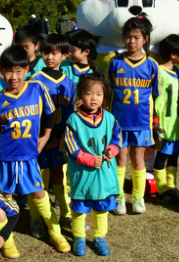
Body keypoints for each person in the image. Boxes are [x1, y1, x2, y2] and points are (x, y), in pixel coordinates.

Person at [0, 45, 69, 253]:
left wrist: (45, 136)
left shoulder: (37, 88)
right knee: (5, 199)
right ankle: (6, 241)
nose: (13, 76)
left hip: (29, 158)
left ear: (27, 69)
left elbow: (50, 114)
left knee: (39, 194)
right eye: (8, 71)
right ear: (1, 70)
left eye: (18, 70)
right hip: (7, 159)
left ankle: (56, 234)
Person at [102, 16, 160, 215]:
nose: (131, 41)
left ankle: (137, 197)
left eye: (136, 37)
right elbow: (107, 92)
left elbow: (155, 96)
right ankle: (118, 198)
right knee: (120, 160)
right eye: (127, 37)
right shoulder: (115, 63)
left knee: (139, 160)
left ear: (145, 39)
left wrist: (156, 122)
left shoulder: (152, 65)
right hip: (118, 123)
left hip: (142, 122)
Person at [62, 72, 122, 255]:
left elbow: (117, 139)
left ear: (104, 96)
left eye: (98, 94)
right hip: (83, 174)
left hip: (104, 174)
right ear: (80, 96)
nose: (94, 98)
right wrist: (89, 159)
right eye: (89, 93)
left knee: (101, 206)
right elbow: (71, 147)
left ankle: (99, 237)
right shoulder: (73, 120)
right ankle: (79, 237)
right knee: (80, 206)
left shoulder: (110, 119)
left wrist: (112, 149)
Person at [33, 34, 77, 231]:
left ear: (64, 55)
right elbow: (32, 114)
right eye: (45, 52)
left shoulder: (70, 84)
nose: (49, 57)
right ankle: (39, 218)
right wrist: (43, 136)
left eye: (54, 53)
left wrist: (60, 138)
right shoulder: (35, 81)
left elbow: (71, 116)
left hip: (59, 139)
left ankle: (66, 214)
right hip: (40, 140)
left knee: (59, 175)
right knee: (37, 178)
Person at [152, 35, 179, 205]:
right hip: (165, 123)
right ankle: (161, 190)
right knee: (163, 155)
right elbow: (155, 98)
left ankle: (172, 187)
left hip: (178, 122)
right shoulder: (159, 71)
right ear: (173, 54)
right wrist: (155, 121)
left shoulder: (176, 71)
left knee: (174, 155)